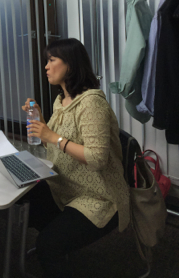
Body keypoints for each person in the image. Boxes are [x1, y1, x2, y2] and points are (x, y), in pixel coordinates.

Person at [22, 38, 131, 278]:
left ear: (70, 64)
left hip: (99, 197)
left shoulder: (91, 103)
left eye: (52, 60)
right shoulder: (61, 100)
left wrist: (52, 136)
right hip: (65, 185)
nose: (46, 66)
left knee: (47, 245)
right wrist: (41, 122)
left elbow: (97, 158)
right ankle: (59, 244)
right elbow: (54, 145)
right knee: (25, 198)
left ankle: (54, 248)